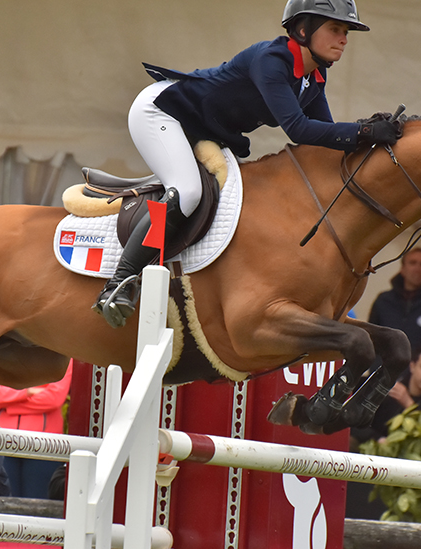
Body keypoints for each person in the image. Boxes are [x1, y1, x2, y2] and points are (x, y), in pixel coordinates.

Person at [93, 0, 401, 328]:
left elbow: (322, 138)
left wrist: (366, 135)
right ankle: (118, 283)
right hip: (163, 113)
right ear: (303, 30)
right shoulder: (272, 60)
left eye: (346, 32)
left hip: (203, 131)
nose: (344, 39)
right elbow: (298, 129)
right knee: (187, 192)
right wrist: (363, 132)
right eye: (336, 29)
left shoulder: (314, 76)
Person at [0, 360, 72, 499]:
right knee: (5, 500)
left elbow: (54, 398)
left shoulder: (62, 356)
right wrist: (26, 392)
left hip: (43, 445)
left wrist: (8, 405)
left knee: (38, 502)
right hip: (3, 441)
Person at [351, 344, 421, 444]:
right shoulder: (391, 384)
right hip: (378, 443)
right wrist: (378, 439)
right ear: (412, 366)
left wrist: (409, 405)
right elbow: (356, 422)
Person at [368, 248, 421, 372]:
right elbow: (370, 341)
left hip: (416, 380)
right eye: (413, 263)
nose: (417, 268)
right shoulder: (383, 301)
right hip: (380, 375)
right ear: (402, 269)